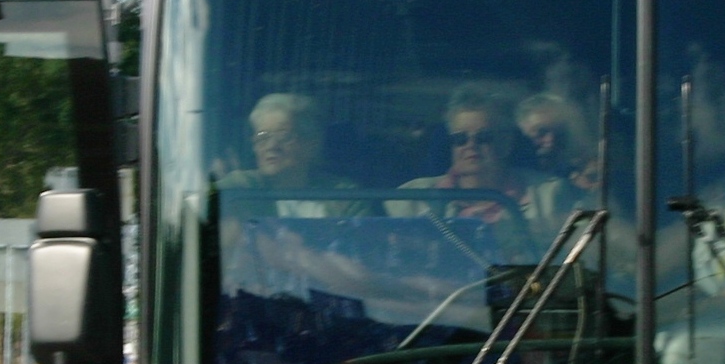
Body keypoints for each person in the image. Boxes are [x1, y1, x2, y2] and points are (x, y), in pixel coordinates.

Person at [390, 86, 558, 238]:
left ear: (505, 144)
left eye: (483, 138)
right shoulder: (412, 197)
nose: (471, 145)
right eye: (460, 139)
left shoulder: (550, 196)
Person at [215, 93, 364, 217]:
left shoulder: (342, 196)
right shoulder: (242, 187)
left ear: (311, 144)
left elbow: (361, 241)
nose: (271, 146)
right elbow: (204, 206)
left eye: (284, 137)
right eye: (262, 137)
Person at [516, 93, 590, 177]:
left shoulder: (581, 173)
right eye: (541, 132)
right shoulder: (511, 177)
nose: (551, 140)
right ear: (522, 133)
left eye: (559, 131)